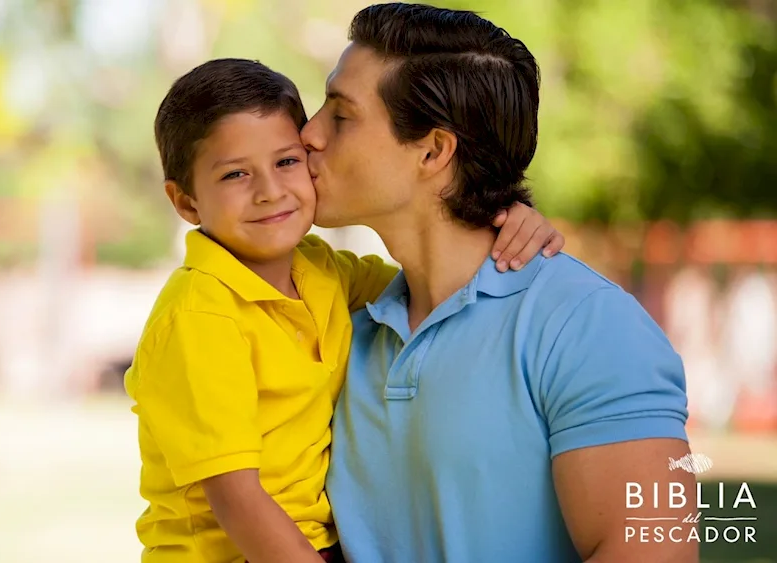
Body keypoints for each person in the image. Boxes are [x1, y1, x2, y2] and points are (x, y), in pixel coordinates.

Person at [124, 57, 564, 563]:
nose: (270, 191)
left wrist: (511, 221)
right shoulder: (200, 318)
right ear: (186, 203)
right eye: (236, 174)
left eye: (286, 162)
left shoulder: (323, 271)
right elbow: (238, 500)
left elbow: (437, 274)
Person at [302, 4, 697, 562]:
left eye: (340, 116)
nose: (309, 134)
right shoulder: (343, 318)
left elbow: (654, 554)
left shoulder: (585, 325)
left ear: (434, 151)